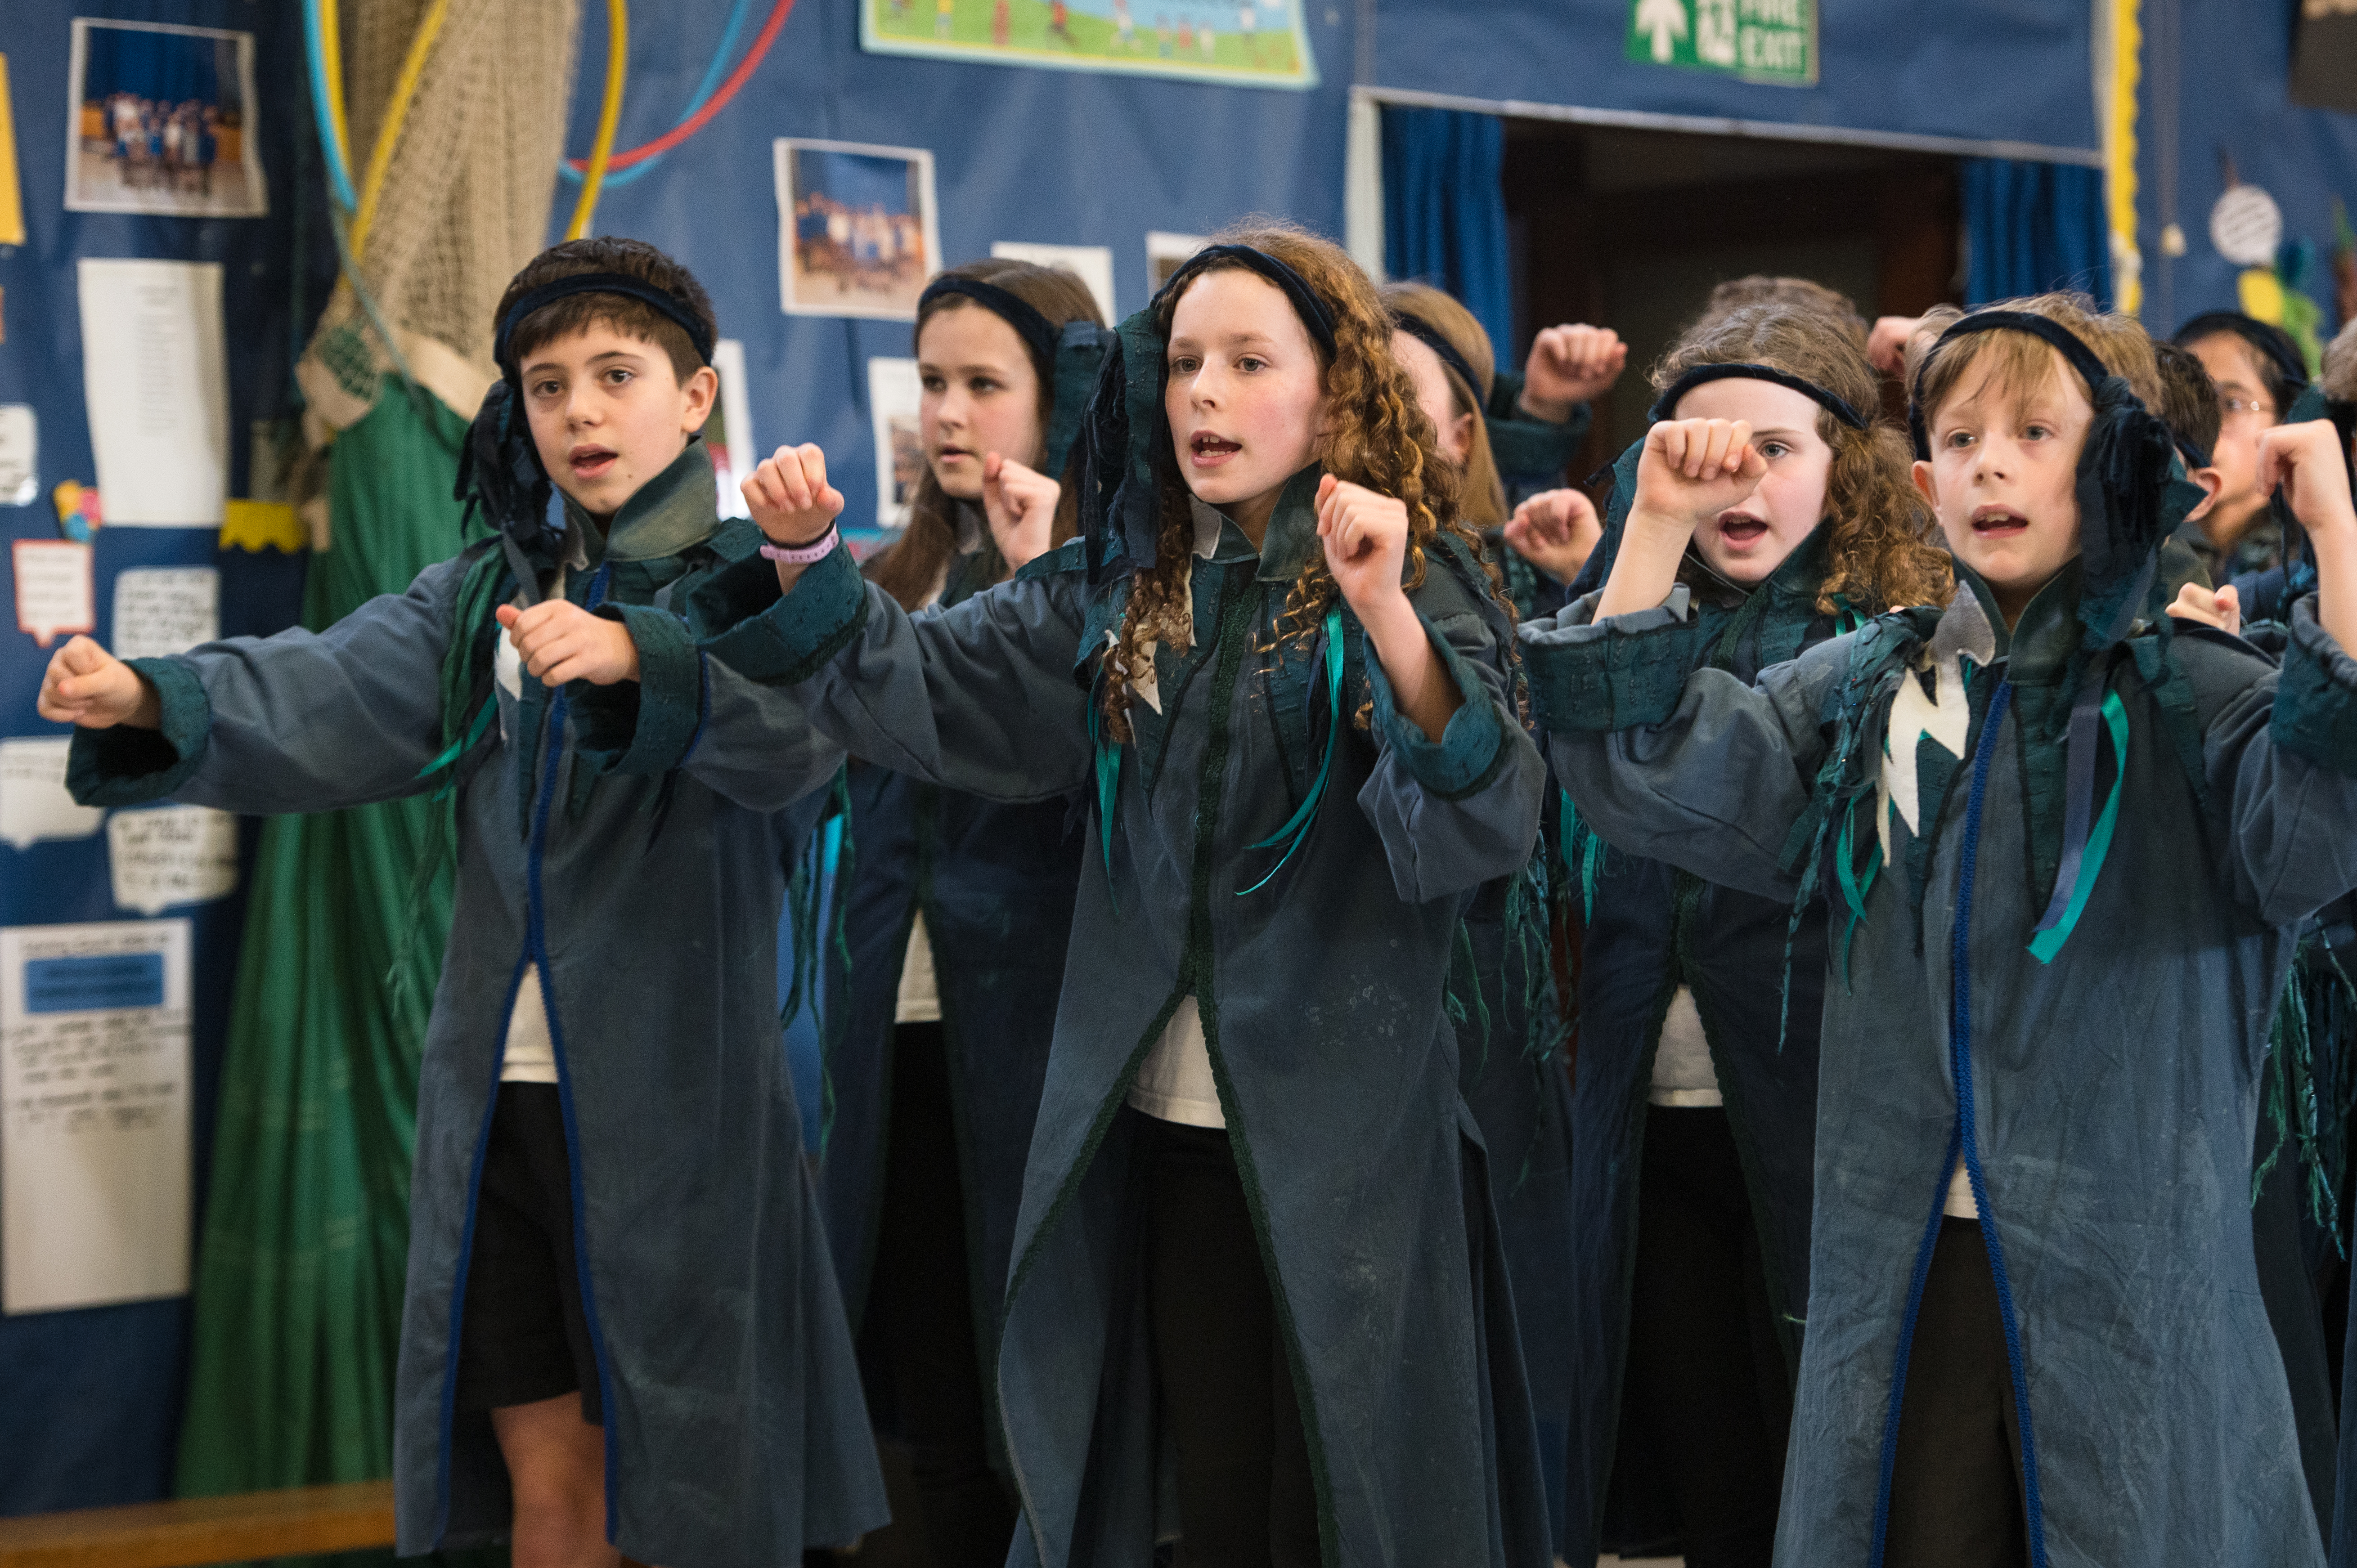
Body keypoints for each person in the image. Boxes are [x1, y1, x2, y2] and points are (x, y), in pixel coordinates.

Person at [696, 221, 1552, 1567]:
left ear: (1334, 389)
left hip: (1352, 1140)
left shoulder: (1416, 565)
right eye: (1184, 361)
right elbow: (935, 692)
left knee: (1345, 1500)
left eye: (1248, 360)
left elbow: (1484, 817)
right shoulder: (1127, 578)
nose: (1202, 392)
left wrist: (1382, 607)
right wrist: (807, 567)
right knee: (1206, 1498)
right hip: (1159, 1123)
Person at [38, 237, 885, 1568]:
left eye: (617, 374)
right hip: (497, 1101)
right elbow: (328, 685)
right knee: (547, 1483)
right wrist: (152, 696)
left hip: (677, 1122)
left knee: (690, 1495)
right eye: (549, 387)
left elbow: (798, 738)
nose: (583, 412)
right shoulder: (495, 588)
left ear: (698, 396)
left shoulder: (750, 579)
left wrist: (633, 653)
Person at [1523, 291, 2357, 1567]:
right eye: (1960, 438)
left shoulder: (2196, 700)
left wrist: (2337, 541)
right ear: (1920, 480)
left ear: (2124, 462)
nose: (1989, 464)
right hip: (1905, 1263)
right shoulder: (1869, 690)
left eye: (2033, 430)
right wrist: (1650, 528)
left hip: (2127, 1274)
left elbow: (2316, 837)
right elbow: (1642, 772)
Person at [1552, 302, 1947, 1568]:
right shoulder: (1622, 593)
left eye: (1775, 446)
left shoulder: (1885, 633)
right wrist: (1642, 528)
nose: (1738, 474)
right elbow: (1575, 721)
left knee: (1827, 1443)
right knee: (1701, 1450)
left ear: (1846, 465)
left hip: (1822, 1103)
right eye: (1705, 445)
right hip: (1648, 1107)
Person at [820, 258, 1107, 1568]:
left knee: (1035, 1375)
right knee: (922, 1360)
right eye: (932, 381)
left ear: (1063, 404)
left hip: (1044, 1030)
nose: (948, 411)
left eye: (985, 383)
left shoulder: (1103, 578)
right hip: (897, 1029)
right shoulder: (884, 581)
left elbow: (1054, 757)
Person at [2176, 310, 2312, 580]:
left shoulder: (2312, 556)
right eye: (2184, 401)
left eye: (2232, 404)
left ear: (2286, 421)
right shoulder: (2137, 549)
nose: (2200, 426)